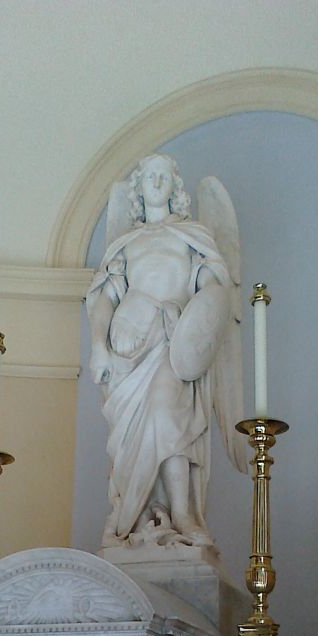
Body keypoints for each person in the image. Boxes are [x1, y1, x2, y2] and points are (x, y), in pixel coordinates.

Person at [86, 153, 244, 551]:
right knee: (129, 439)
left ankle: (182, 514)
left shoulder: (193, 236)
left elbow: (213, 293)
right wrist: (99, 347)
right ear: (139, 188)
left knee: (167, 415)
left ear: (175, 187)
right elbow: (105, 299)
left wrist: (202, 312)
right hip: (128, 347)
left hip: (173, 340)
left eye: (164, 176)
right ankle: (135, 518)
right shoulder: (127, 242)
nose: (156, 183)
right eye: (149, 177)